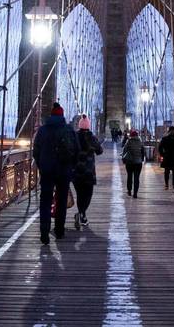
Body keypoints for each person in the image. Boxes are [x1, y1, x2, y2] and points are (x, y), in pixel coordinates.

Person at [33, 102, 79, 245]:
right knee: (61, 200)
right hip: (64, 171)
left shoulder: (42, 130)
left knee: (45, 201)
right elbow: (77, 150)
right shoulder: (69, 130)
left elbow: (36, 151)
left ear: (51, 115)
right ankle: (59, 231)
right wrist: (71, 168)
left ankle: (44, 233)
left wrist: (42, 166)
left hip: (47, 171)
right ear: (62, 115)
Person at [73, 114, 103, 229]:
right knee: (88, 195)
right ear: (89, 126)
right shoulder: (92, 138)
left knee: (80, 194)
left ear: (79, 126)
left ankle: (82, 215)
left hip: (76, 171)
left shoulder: (74, 136)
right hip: (88, 172)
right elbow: (100, 151)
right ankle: (81, 214)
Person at [158, 125, 174, 193]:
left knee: (167, 172)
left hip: (167, 157)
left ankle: (167, 185)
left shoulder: (164, 138)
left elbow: (160, 147)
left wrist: (163, 154)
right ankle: (173, 186)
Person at [122, 129, 145, 198]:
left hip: (129, 162)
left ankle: (129, 191)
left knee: (129, 176)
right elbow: (143, 152)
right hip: (138, 162)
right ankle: (135, 193)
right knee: (136, 177)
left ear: (131, 135)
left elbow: (124, 151)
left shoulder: (128, 141)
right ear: (137, 135)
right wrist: (142, 159)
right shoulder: (140, 142)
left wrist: (123, 159)